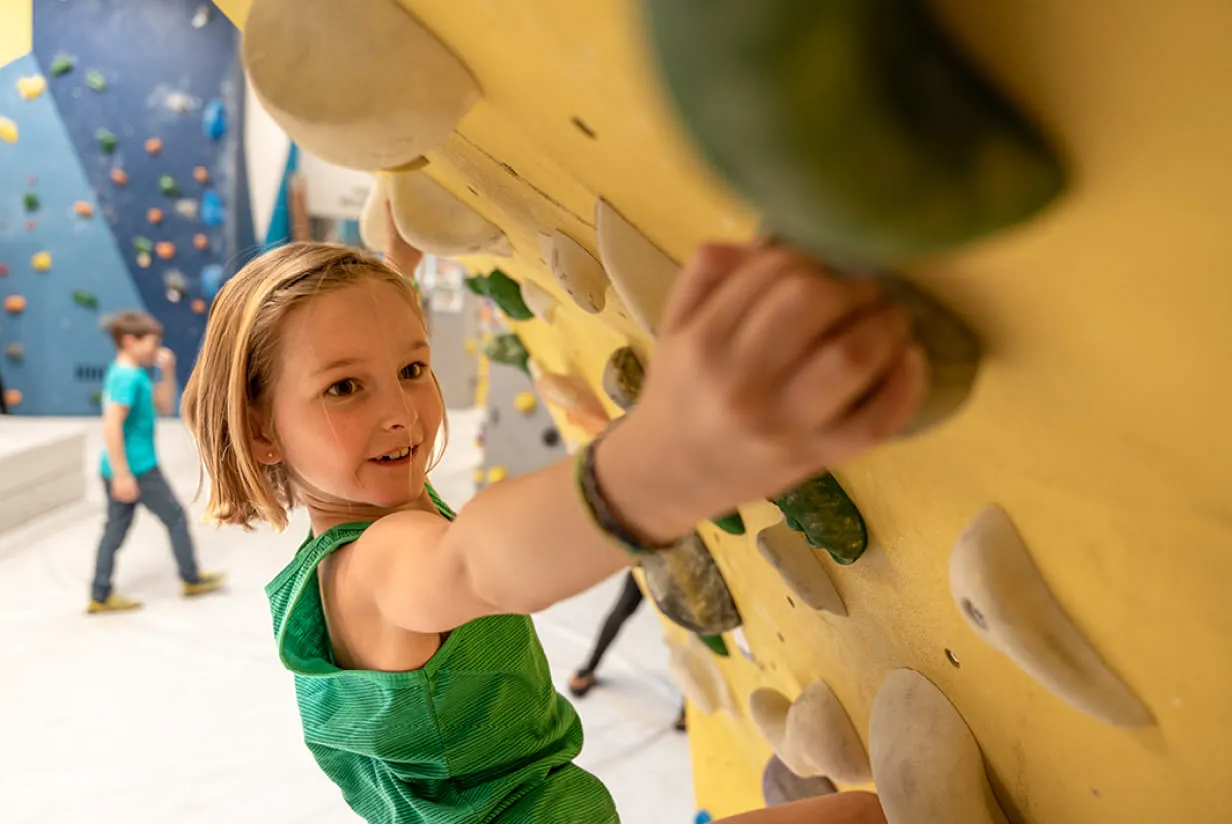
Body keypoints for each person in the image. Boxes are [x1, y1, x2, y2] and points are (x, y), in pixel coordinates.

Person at [182, 198, 927, 824]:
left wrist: (395, 260)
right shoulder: (379, 565)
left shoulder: (351, 526)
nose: (401, 411)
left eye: (412, 368)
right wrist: (663, 464)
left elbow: (356, 346)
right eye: (344, 388)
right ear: (261, 433)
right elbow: (477, 560)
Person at [87, 310, 225, 614]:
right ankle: (191, 578)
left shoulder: (131, 373)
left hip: (128, 467)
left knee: (115, 530)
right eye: (151, 343)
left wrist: (167, 372)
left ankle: (99, 594)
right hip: (137, 468)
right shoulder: (126, 378)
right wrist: (123, 475)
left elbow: (162, 407)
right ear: (128, 341)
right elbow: (111, 426)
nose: (157, 349)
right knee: (175, 517)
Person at [567, 571, 689, 732]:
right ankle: (588, 668)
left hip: (676, 561)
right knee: (623, 609)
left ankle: (689, 703)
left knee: (688, 631)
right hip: (654, 558)